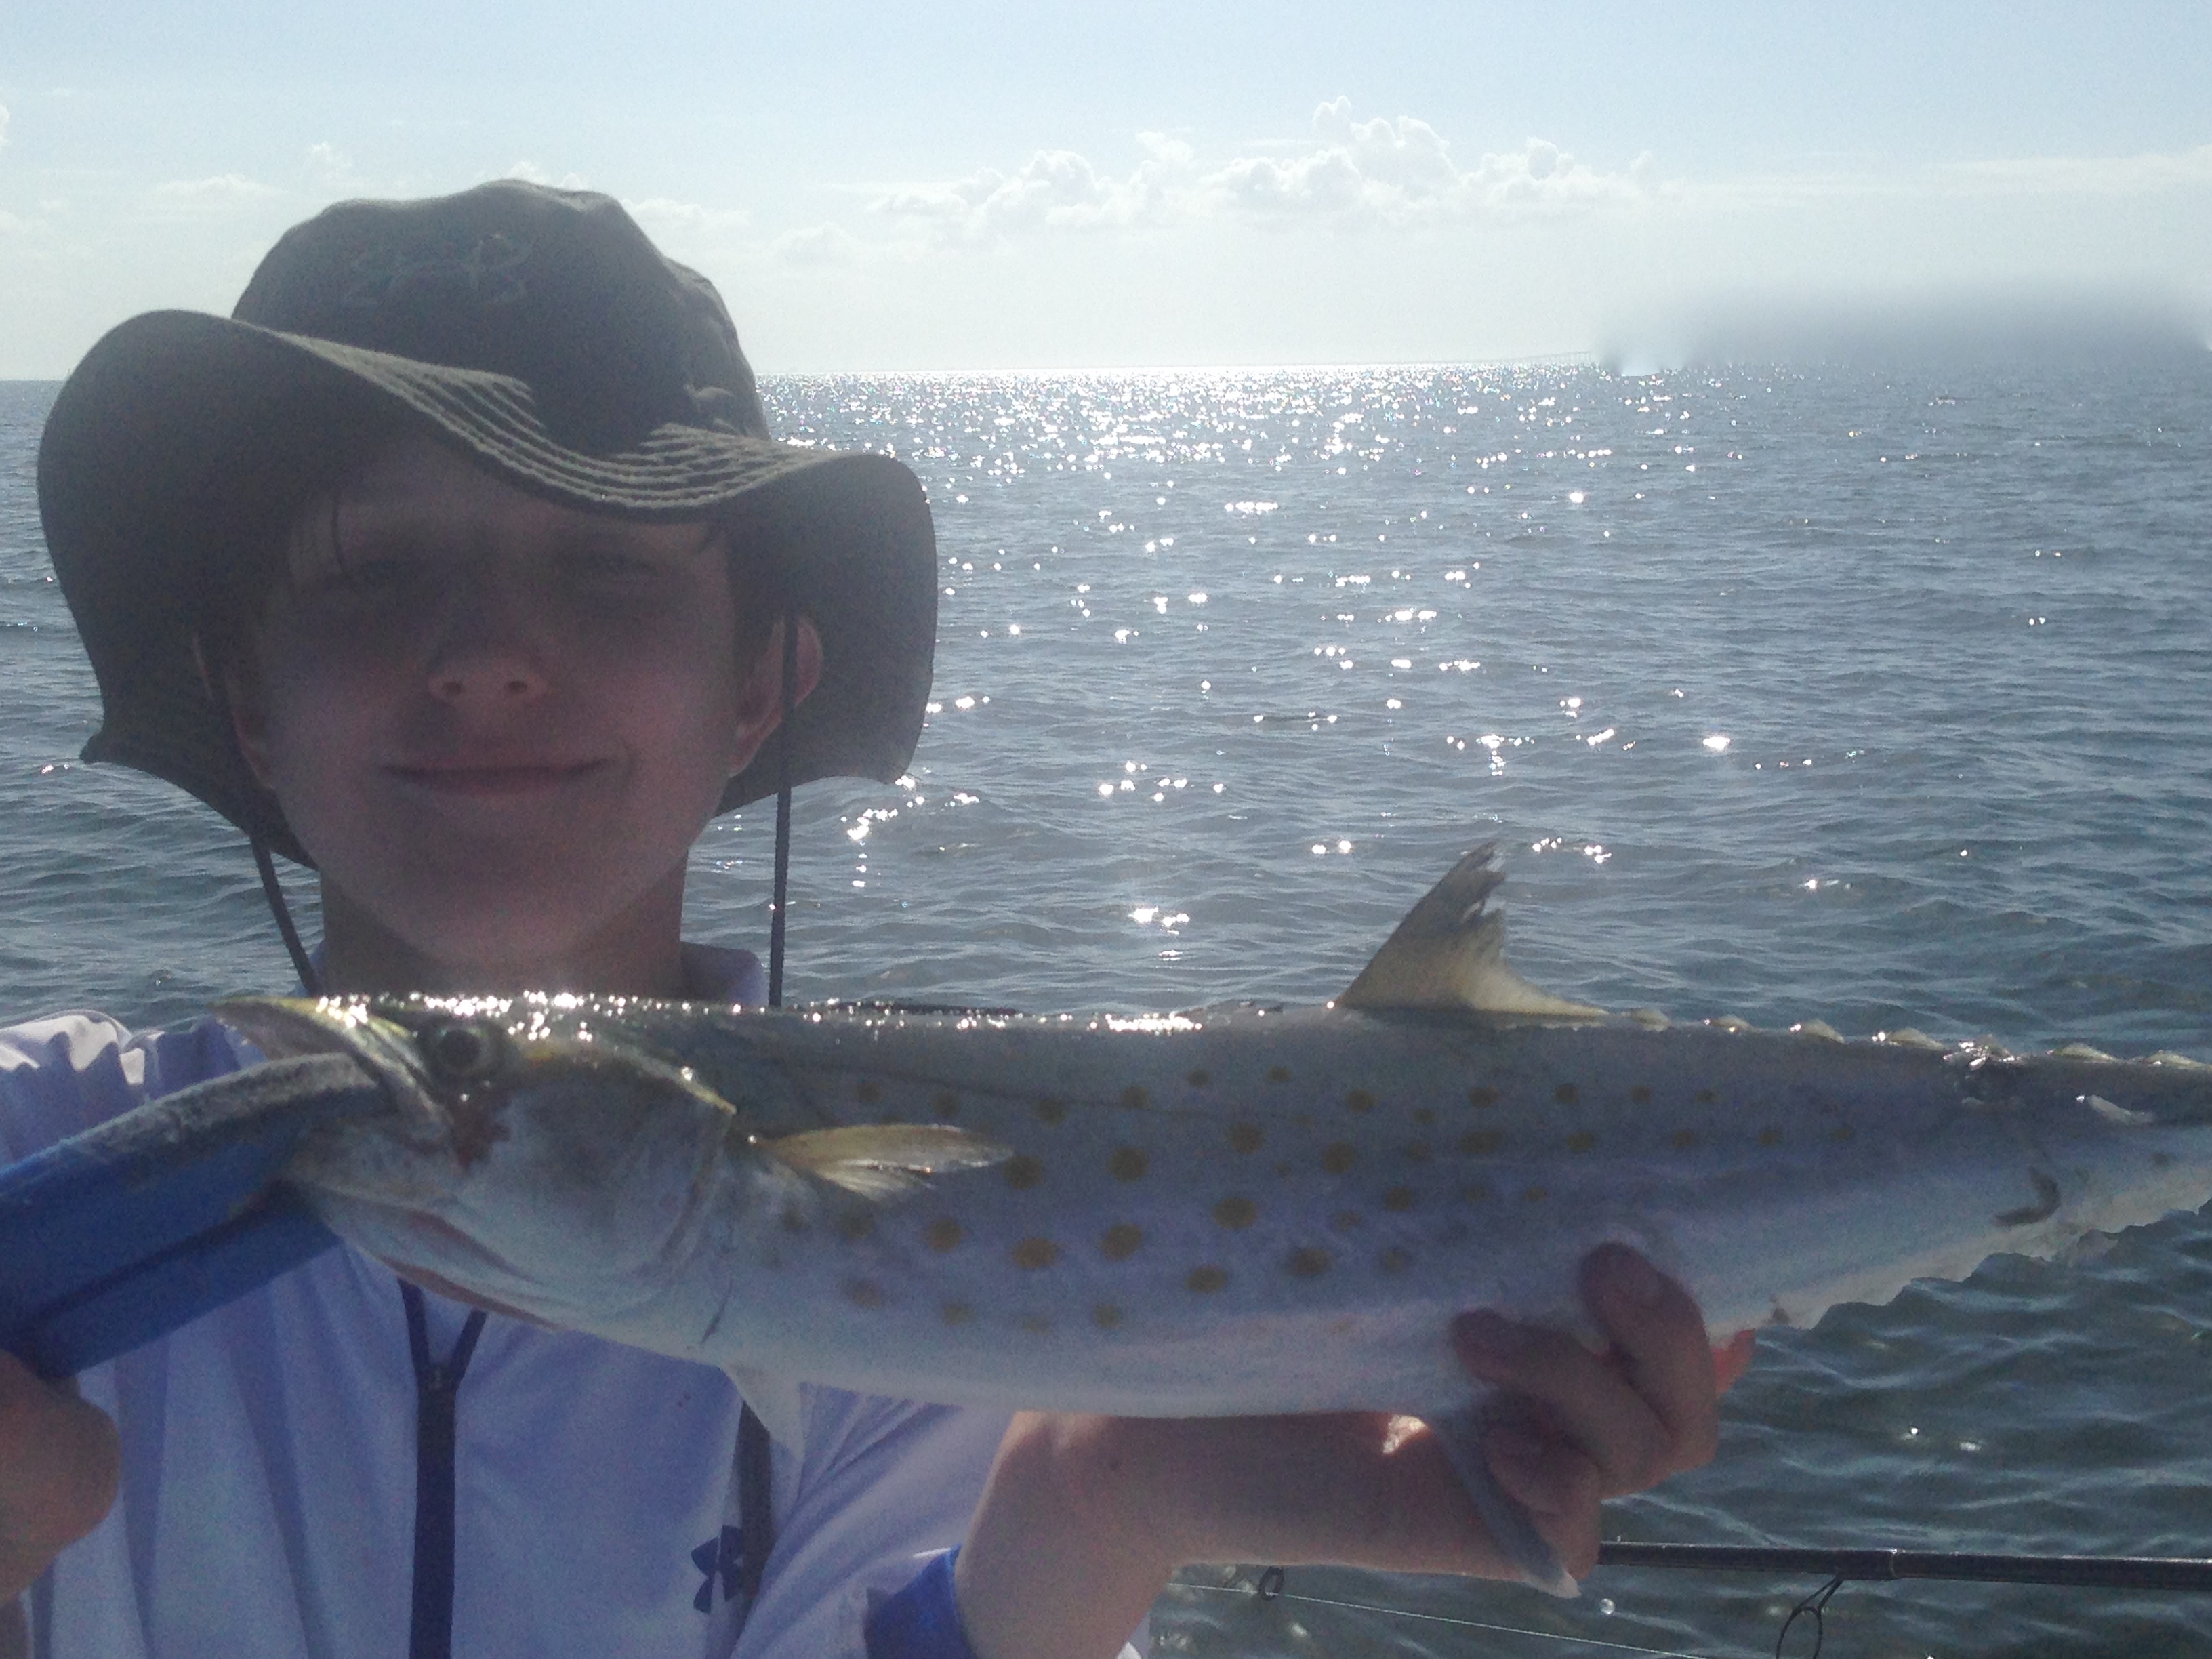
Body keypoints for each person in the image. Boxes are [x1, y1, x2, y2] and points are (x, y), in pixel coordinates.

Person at [0, 181, 1746, 1659]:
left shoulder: (944, 1277)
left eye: (609, 567)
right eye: (372, 574)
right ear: (243, 700)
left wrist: (1099, 1499)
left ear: (763, 687)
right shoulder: (35, 1155)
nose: (485, 653)